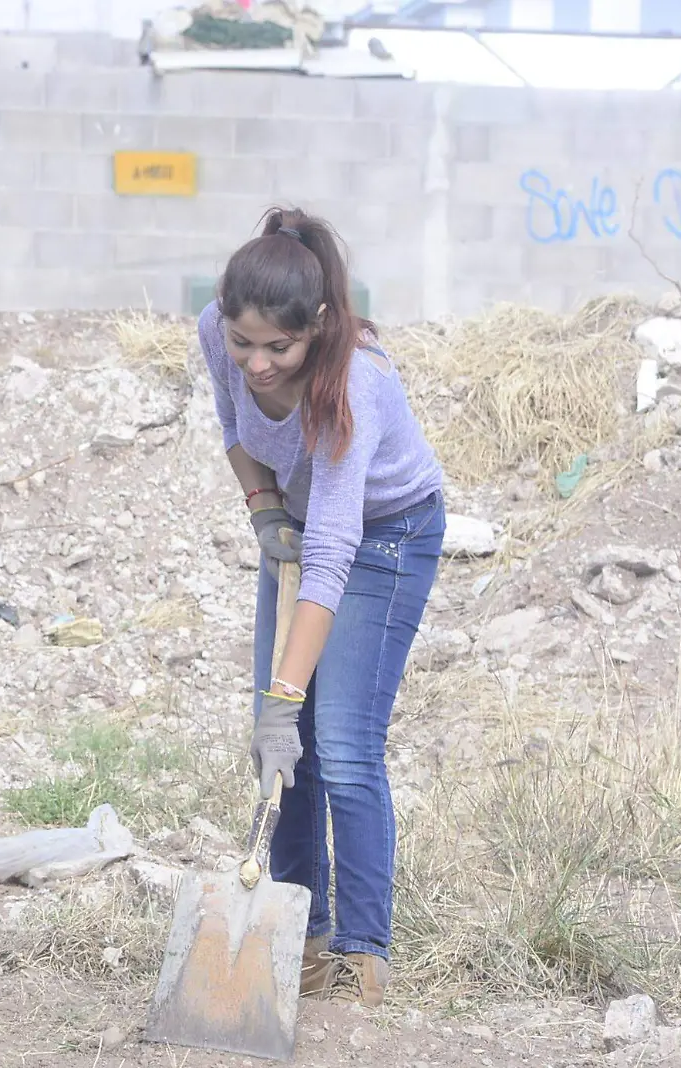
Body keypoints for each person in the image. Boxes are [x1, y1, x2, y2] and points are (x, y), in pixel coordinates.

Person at [199, 207, 445, 1009]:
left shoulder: (355, 385)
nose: (258, 363)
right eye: (245, 343)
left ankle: (361, 954)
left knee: (337, 743)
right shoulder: (218, 331)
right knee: (282, 751)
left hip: (387, 533)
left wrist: (283, 695)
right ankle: (300, 934)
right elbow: (232, 423)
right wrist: (263, 506)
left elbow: (335, 554)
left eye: (280, 348)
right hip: (299, 519)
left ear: (320, 326)